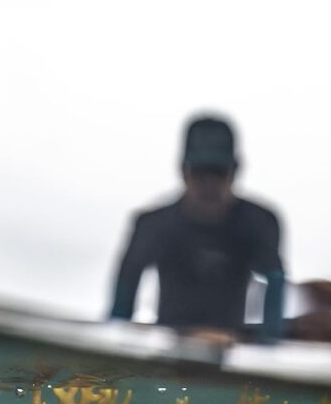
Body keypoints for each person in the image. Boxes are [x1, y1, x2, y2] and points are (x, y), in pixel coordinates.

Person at [107, 114, 286, 342]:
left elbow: (275, 280)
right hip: (168, 349)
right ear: (183, 171)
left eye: (218, 172)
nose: (209, 185)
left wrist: (267, 346)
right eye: (200, 172)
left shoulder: (259, 223)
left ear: (235, 172)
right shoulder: (152, 225)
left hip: (230, 352)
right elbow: (121, 305)